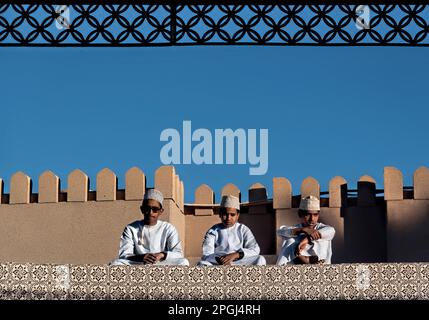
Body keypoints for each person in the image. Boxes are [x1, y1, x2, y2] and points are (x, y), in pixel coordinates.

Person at [110, 189, 189, 266]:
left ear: (161, 211)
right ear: (142, 210)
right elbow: (124, 255)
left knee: (183, 262)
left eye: (155, 209)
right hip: (139, 264)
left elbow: (178, 253)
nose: (150, 213)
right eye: (147, 209)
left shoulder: (168, 228)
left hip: (161, 264)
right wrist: (142, 257)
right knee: (116, 263)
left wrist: (161, 255)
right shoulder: (131, 228)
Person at [197, 195, 266, 266]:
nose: (228, 218)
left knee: (260, 259)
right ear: (220, 214)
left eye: (232, 215)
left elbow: (255, 249)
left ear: (238, 215)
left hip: (239, 262)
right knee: (202, 264)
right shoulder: (213, 230)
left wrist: (236, 255)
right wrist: (222, 260)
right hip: (218, 263)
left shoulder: (243, 229)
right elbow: (206, 254)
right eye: (225, 214)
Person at [277, 195, 335, 265]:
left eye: (315, 215)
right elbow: (280, 231)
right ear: (300, 214)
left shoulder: (322, 227)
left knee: (323, 237)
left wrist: (307, 239)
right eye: (308, 215)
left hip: (321, 265)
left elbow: (331, 231)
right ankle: (285, 266)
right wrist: (303, 230)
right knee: (290, 239)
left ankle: (315, 263)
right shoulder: (297, 228)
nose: (312, 219)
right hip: (296, 263)